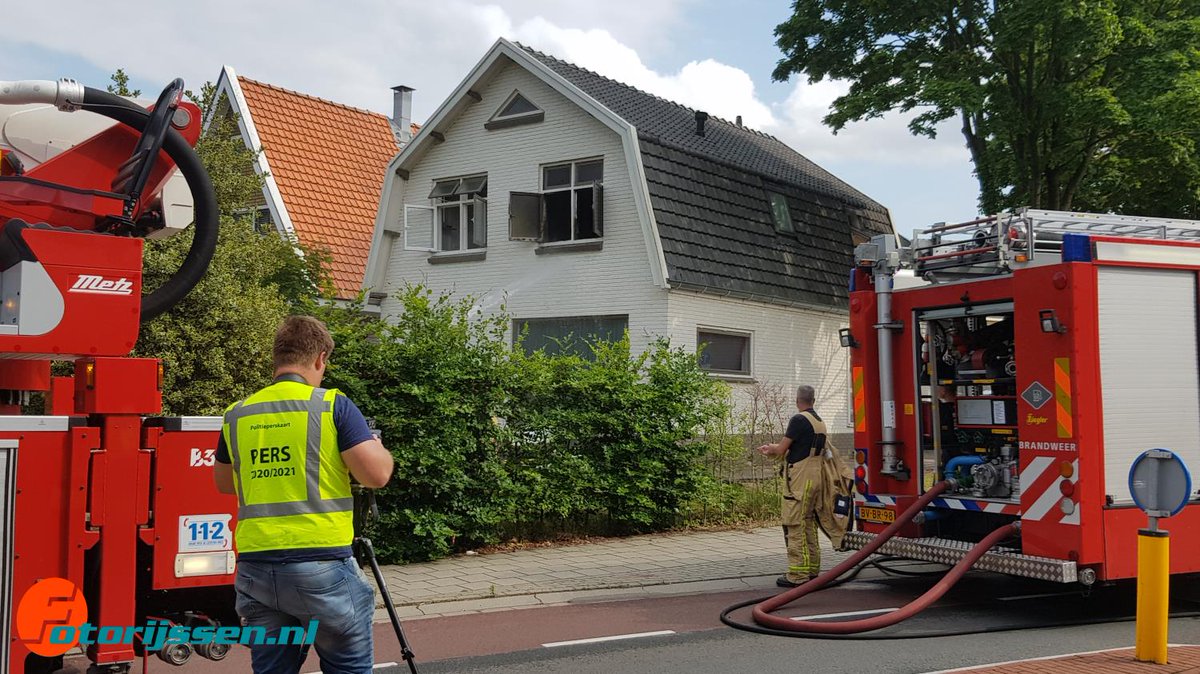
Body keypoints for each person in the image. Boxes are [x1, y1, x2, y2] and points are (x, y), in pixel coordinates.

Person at [213, 316, 395, 674]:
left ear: (277, 358)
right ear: (320, 358)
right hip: (322, 568)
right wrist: (375, 446)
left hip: (256, 570)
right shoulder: (331, 405)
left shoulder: (237, 414)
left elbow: (224, 482)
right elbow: (377, 475)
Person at [757, 385, 843, 588]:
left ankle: (797, 575)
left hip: (800, 481)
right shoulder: (819, 422)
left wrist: (770, 449)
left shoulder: (799, 420)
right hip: (816, 478)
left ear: (797, 401)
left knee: (795, 523)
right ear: (813, 400)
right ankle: (812, 570)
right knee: (809, 523)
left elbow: (782, 449)